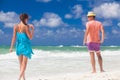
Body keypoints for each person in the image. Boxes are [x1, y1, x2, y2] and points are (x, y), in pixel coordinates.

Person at [9, 13, 34, 80]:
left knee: (21, 64)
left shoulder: (15, 26)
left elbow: (13, 37)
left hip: (19, 46)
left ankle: (24, 78)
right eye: (27, 19)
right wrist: (32, 29)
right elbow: (30, 37)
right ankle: (19, 78)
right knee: (24, 65)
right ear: (25, 19)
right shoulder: (26, 27)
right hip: (25, 46)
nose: (27, 20)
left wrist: (11, 47)